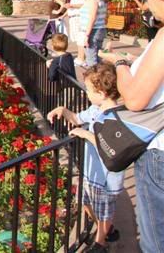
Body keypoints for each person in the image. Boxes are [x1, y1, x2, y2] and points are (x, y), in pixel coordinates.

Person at [99, 0, 164, 253]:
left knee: (155, 243)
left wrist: (121, 64)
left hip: (158, 153)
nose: (146, 6)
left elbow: (136, 99)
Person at [48, 63, 124, 253]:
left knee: (104, 212)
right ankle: (107, 231)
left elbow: (108, 145)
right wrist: (63, 110)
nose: (87, 93)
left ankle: (100, 244)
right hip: (91, 172)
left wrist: (85, 134)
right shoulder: (95, 110)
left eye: (89, 89)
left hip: (106, 177)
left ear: (102, 93)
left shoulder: (115, 117)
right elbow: (76, 118)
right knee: (87, 204)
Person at [79, 0, 108, 67]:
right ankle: (100, 74)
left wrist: (87, 35)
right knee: (97, 57)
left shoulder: (93, 0)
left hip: (93, 31)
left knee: (91, 59)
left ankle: (94, 75)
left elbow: (92, 17)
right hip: (100, 29)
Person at [64, 0, 89, 66]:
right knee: (78, 38)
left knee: (80, 38)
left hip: (77, 17)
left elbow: (84, 3)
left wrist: (72, 6)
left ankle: (81, 58)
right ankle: (80, 57)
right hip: (74, 18)